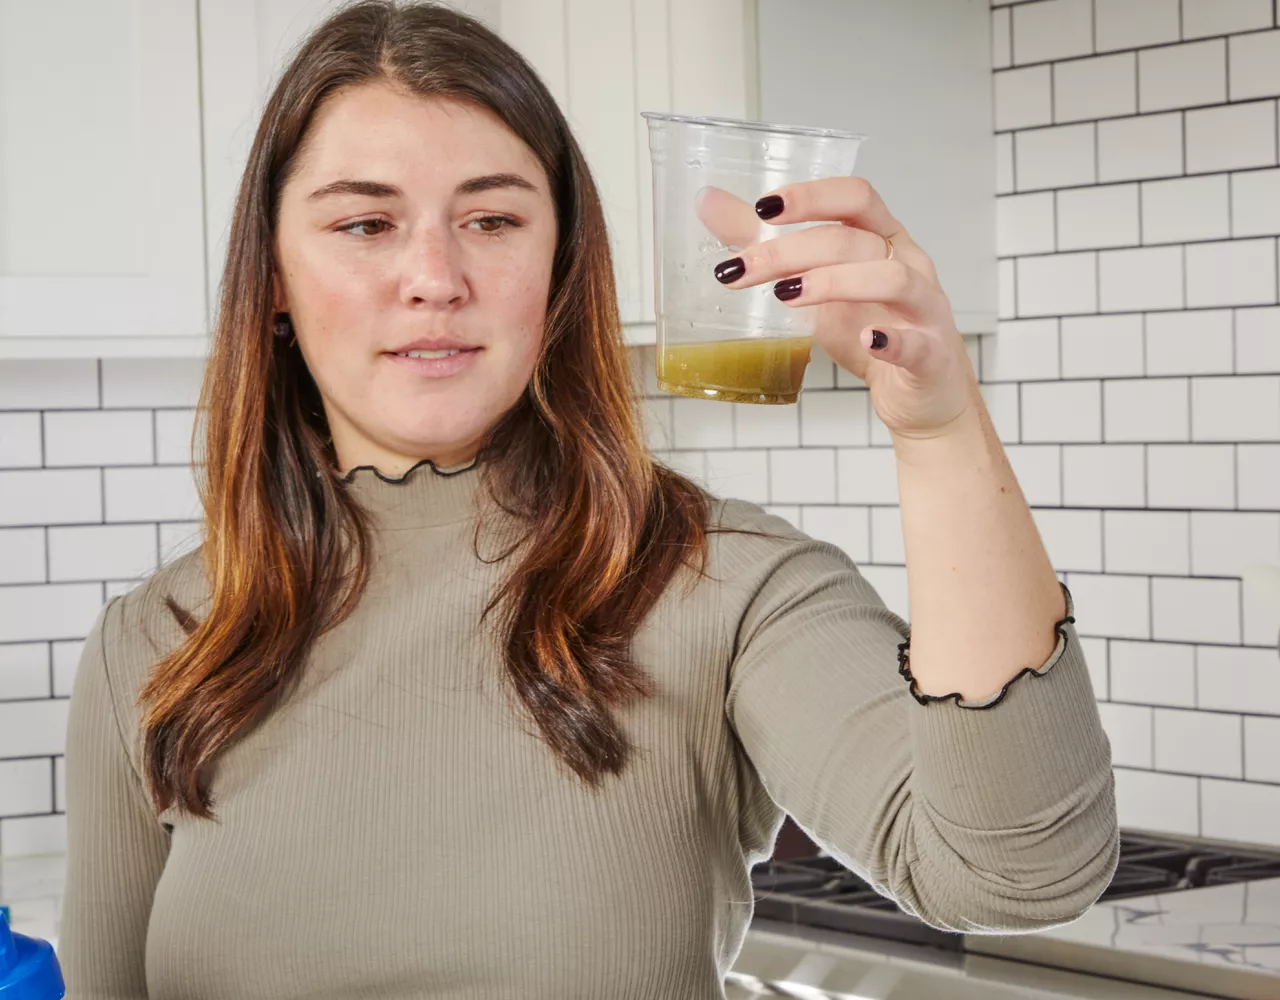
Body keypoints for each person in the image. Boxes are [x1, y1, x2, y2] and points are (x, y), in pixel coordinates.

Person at [58, 2, 1118, 997]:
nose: (435, 274)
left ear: (560, 265)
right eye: (366, 226)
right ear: (275, 278)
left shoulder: (722, 583)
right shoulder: (154, 645)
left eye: (491, 218)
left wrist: (937, 430)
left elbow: (1015, 872)